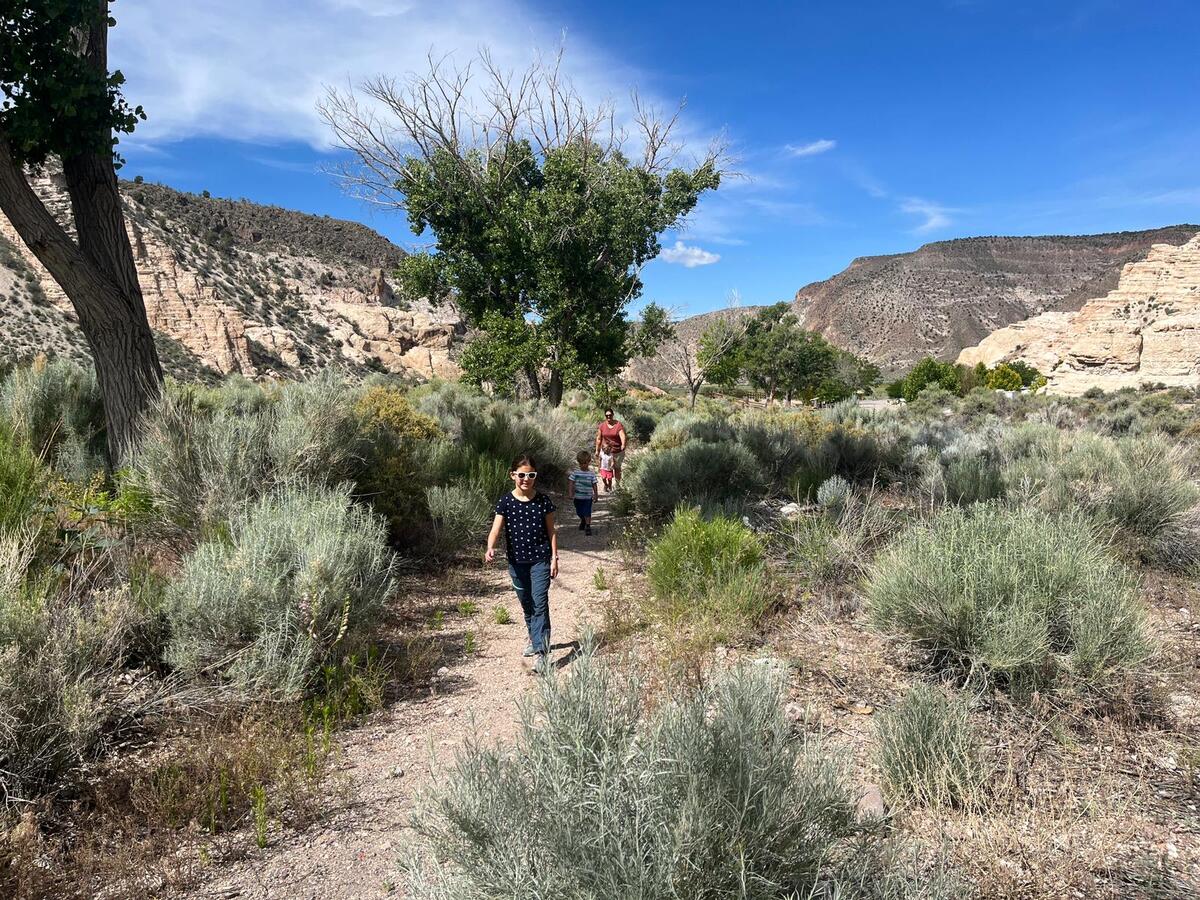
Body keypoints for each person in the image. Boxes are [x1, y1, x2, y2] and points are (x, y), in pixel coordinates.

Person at [485, 454, 559, 673]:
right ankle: (533, 638)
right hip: (516, 563)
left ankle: (541, 652)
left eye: (531, 475)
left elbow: (551, 532)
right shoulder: (505, 502)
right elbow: (496, 529)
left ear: (535, 476)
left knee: (539, 602)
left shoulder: (543, 501)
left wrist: (554, 558)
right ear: (513, 476)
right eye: (522, 475)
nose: (526, 479)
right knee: (527, 603)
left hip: (540, 560)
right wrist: (490, 547)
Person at [594, 408, 627, 492]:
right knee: (605, 468)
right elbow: (599, 438)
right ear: (605, 416)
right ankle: (607, 485)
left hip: (617, 451)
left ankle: (617, 485)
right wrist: (597, 450)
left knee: (617, 468)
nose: (608, 417)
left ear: (613, 415)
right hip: (606, 451)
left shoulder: (618, 425)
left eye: (610, 415)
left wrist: (623, 444)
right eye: (607, 415)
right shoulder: (602, 426)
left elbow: (622, 435)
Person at [568, 450, 599, 536]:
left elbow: (594, 485)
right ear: (579, 463)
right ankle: (583, 520)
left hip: (588, 498)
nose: (583, 465)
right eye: (581, 463)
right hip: (577, 497)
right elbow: (571, 482)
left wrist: (596, 495)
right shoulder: (576, 473)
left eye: (585, 463)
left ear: (589, 462)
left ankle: (588, 527)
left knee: (587, 511)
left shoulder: (591, 474)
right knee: (579, 512)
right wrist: (570, 493)